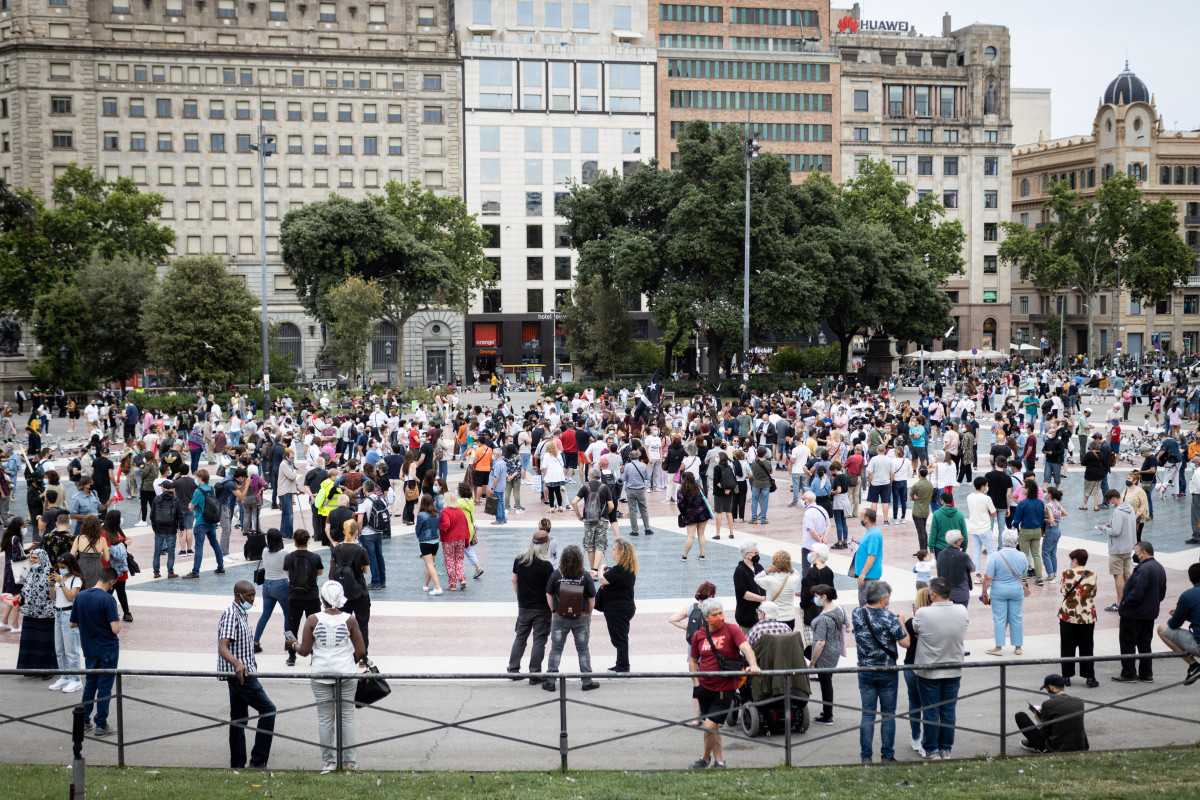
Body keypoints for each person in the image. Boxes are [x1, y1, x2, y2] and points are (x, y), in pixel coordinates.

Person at [287, 580, 367, 773]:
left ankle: (329, 763)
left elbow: (305, 651)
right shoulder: (350, 620)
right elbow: (361, 650)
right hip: (346, 674)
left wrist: (293, 644)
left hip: (320, 672)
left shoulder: (313, 620)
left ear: (322, 598)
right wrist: (348, 662)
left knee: (324, 719)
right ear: (341, 598)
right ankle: (349, 763)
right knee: (347, 718)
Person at [687, 597, 762, 769]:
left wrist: (753, 665)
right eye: (715, 614)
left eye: (721, 613)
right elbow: (693, 661)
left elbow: (746, 648)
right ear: (705, 618)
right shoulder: (699, 635)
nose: (720, 617)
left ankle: (704, 759)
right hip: (704, 688)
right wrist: (696, 683)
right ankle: (719, 761)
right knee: (714, 729)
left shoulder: (732, 629)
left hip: (724, 688)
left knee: (709, 725)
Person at [217, 580, 275, 769]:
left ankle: (238, 764)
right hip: (241, 676)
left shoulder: (241, 614)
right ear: (238, 595)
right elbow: (222, 647)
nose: (253, 598)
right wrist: (238, 664)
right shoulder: (231, 615)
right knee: (269, 710)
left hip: (244, 673)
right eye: (249, 595)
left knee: (239, 719)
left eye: (253, 595)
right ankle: (257, 762)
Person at [852, 581, 910, 765]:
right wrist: (901, 623)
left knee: (867, 713)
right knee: (888, 714)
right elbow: (905, 643)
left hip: (865, 669)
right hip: (887, 671)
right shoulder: (889, 618)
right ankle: (887, 755)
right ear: (883, 599)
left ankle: (866, 756)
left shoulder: (857, 613)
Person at [913, 577, 969, 760]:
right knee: (948, 710)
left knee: (931, 710)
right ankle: (946, 748)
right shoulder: (961, 610)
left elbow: (916, 629)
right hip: (953, 667)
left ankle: (931, 749)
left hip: (929, 669)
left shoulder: (922, 613)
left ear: (934, 594)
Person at [71, 566, 121, 737]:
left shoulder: (81, 596)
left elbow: (72, 623)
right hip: (108, 648)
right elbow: (115, 629)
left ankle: (84, 720)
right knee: (105, 687)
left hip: (89, 648)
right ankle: (101, 724)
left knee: (91, 684)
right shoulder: (108, 599)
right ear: (111, 581)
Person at [542, 544, 600, 692]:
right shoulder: (585, 576)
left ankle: (550, 681)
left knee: (556, 648)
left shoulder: (556, 574)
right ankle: (586, 680)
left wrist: (553, 610)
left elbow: (549, 594)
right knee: (582, 649)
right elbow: (592, 598)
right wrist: (589, 615)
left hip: (560, 616)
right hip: (581, 616)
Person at [1113, 541, 1167, 683]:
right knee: (1145, 644)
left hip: (1133, 614)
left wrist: (1124, 603)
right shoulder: (1159, 568)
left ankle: (1129, 673)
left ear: (1144, 553)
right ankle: (1146, 673)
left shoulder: (1143, 569)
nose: (1134, 556)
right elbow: (1161, 593)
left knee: (1128, 644)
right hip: (1149, 614)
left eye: (1136, 553)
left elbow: (1136, 593)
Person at [508, 529, 555, 682]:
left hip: (524, 606)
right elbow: (550, 590)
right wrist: (553, 608)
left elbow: (513, 579)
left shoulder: (520, 559)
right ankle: (534, 674)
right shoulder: (546, 565)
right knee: (539, 640)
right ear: (545, 545)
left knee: (520, 637)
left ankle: (513, 670)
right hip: (541, 608)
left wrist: (519, 597)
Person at [982, 531, 1030, 657]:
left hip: (999, 590)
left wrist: (984, 591)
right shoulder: (1022, 556)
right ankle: (1018, 646)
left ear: (1003, 541)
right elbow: (1024, 572)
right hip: (1016, 590)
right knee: (1016, 617)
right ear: (1016, 541)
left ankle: (998, 647)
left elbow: (988, 577)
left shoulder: (994, 556)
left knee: (999, 618)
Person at [1015, 674, 1089, 753]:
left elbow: (1044, 734)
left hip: (1056, 749)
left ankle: (1037, 746)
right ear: (1064, 686)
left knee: (1020, 716)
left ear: (1050, 688)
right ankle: (1032, 743)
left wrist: (1039, 720)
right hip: (1080, 746)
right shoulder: (1079, 701)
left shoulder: (1048, 704)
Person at [1058, 548, 1099, 688]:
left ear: (1075, 561)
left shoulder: (1066, 573)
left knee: (1067, 645)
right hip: (1087, 615)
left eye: (1071, 560)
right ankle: (1089, 677)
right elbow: (1094, 593)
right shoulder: (1093, 575)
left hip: (1068, 614)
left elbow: (1063, 590)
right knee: (1087, 646)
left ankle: (1066, 677)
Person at [283, 529, 324, 667]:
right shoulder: (314, 557)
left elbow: (288, 574)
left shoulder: (289, 557)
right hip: (311, 596)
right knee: (315, 628)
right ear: (308, 540)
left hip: (294, 596)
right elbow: (319, 572)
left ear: (294, 541)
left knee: (291, 627)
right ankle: (315, 655)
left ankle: (291, 656)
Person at [808, 583, 846, 726]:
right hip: (835, 647)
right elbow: (847, 627)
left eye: (816, 596)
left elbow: (820, 643)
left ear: (823, 597)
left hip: (826, 651)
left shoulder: (823, 619)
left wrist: (812, 662)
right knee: (827, 681)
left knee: (825, 683)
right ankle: (827, 712)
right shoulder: (838, 609)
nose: (815, 599)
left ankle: (828, 715)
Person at [598, 538, 638, 673]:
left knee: (619, 639)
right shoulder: (628, 569)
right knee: (621, 637)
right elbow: (611, 579)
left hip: (617, 609)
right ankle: (621, 662)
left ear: (621, 552)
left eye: (614, 549)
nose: (611, 551)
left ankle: (623, 667)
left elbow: (603, 579)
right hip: (625, 607)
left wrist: (601, 569)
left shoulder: (619, 569)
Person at [15, 546, 58, 673]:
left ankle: (47, 670)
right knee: (30, 642)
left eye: (35, 558)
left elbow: (53, 594)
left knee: (45, 643)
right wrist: (20, 596)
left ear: (43, 559)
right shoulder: (31, 572)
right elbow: (26, 590)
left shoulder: (50, 574)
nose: (32, 560)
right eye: (31, 557)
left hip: (46, 615)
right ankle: (29, 669)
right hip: (30, 613)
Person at [330, 520, 371, 651]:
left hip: (342, 592)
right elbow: (366, 570)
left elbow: (336, 567)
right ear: (357, 533)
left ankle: (342, 652)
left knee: (342, 625)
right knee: (362, 625)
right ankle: (363, 656)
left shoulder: (337, 549)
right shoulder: (361, 550)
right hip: (360, 591)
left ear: (344, 532)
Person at [1157, 561, 1200, 686]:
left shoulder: (1187, 595)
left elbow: (1174, 624)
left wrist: (1180, 613)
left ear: (1190, 579)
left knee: (1162, 628)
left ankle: (1193, 664)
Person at [48, 552, 85, 692]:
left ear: (70, 566)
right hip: (57, 613)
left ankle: (76, 680)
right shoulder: (60, 579)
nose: (60, 569)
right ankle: (64, 676)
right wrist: (52, 585)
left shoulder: (77, 579)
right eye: (59, 567)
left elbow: (70, 597)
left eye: (63, 567)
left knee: (71, 650)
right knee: (60, 649)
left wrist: (61, 583)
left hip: (69, 614)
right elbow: (53, 597)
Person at [1098, 489, 1137, 612]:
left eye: (1110, 501)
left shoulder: (1118, 511)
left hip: (1117, 548)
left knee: (1118, 575)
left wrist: (1104, 528)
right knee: (1126, 573)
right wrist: (1111, 524)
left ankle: (1120, 602)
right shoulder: (1129, 508)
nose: (1110, 503)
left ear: (1113, 498)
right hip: (1128, 546)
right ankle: (1130, 599)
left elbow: (1116, 531)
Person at [253, 530, 289, 653]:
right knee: (288, 614)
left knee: (265, 614)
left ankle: (255, 642)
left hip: (267, 585)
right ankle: (288, 642)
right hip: (281, 584)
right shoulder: (284, 553)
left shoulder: (264, 551)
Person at [574, 468, 614, 570]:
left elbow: (574, 502)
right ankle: (595, 569)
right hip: (602, 520)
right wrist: (605, 514)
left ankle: (592, 570)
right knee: (600, 544)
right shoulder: (605, 487)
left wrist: (579, 515)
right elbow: (611, 506)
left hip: (589, 519)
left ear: (590, 476)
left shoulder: (585, 487)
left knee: (590, 545)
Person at [1012, 478, 1048, 585]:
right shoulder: (1040, 503)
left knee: (1024, 554)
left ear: (1028, 489)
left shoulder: (1022, 503)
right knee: (1036, 554)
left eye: (1024, 487)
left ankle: (1023, 577)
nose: (1023, 489)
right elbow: (1042, 518)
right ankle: (1039, 577)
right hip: (1037, 530)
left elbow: (1017, 520)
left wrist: (1012, 528)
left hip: (1025, 531)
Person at [149, 479, 185, 579]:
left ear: (163, 488)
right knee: (171, 550)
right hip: (172, 529)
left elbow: (152, 516)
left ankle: (156, 572)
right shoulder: (175, 499)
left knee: (157, 550)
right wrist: (181, 528)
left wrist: (155, 528)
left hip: (159, 529)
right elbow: (179, 515)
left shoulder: (157, 499)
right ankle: (170, 571)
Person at [438, 488, 471, 591]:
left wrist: (440, 526)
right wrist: (466, 540)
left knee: (450, 560)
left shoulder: (445, 511)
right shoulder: (460, 511)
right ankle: (461, 578)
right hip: (460, 538)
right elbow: (465, 525)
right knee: (459, 559)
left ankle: (452, 584)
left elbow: (446, 524)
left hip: (449, 539)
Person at [798, 543, 834, 628]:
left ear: (817, 554)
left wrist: (802, 605)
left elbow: (808, 592)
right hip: (826, 607)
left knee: (812, 637)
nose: (809, 554)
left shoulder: (812, 572)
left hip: (812, 610)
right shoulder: (829, 571)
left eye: (811, 551)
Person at [854, 508, 885, 607]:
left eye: (862, 517)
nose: (860, 519)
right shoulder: (870, 531)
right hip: (868, 575)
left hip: (869, 576)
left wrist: (863, 574)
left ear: (867, 519)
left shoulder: (873, 535)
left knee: (865, 603)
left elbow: (872, 556)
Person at [733, 540, 765, 634]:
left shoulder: (759, 567)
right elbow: (743, 593)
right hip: (747, 615)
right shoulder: (740, 571)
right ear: (746, 554)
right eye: (755, 553)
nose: (757, 555)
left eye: (758, 552)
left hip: (761, 614)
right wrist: (761, 599)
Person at [414, 493, 443, 596]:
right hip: (435, 541)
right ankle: (425, 585)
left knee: (430, 565)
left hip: (425, 542)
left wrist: (418, 536)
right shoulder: (436, 514)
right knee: (430, 564)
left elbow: (418, 529)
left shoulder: (421, 515)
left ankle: (438, 587)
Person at [936, 531, 974, 606]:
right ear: (958, 542)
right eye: (962, 539)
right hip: (961, 594)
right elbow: (972, 568)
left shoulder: (941, 554)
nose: (963, 540)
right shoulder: (963, 556)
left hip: (945, 594)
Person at [927, 491, 966, 559]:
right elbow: (964, 534)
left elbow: (933, 533)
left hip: (940, 547)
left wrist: (931, 549)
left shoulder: (937, 514)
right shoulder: (960, 515)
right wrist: (964, 549)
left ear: (942, 501)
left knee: (941, 569)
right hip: (955, 547)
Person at [909, 467, 935, 552]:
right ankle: (925, 548)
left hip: (917, 511)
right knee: (923, 530)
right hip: (926, 511)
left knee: (920, 531)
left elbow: (911, 498)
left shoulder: (916, 485)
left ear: (919, 474)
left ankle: (922, 551)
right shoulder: (930, 485)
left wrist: (914, 497)